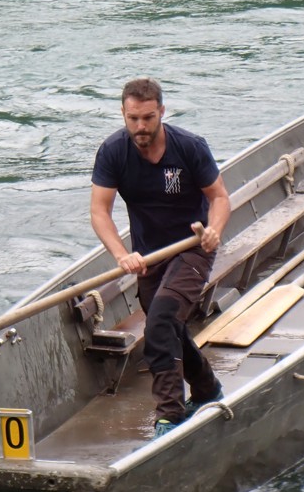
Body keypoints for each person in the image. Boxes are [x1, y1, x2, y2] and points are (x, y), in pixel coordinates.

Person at [90, 76, 230, 439]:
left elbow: (219, 197)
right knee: (169, 327)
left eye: (148, 118)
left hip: (191, 248)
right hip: (148, 256)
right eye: (133, 118)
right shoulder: (112, 152)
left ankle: (169, 415)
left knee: (161, 320)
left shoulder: (188, 147)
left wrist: (213, 230)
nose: (141, 126)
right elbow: (99, 212)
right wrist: (123, 256)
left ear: (162, 113)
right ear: (123, 113)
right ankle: (207, 389)